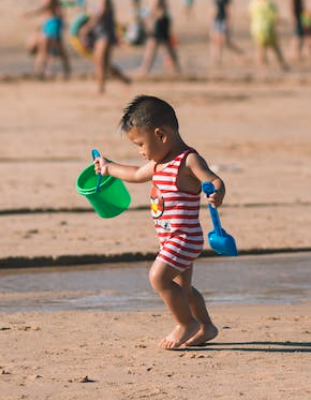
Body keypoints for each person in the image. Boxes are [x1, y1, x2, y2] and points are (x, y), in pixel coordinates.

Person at [93, 95, 225, 349]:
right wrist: (108, 168)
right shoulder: (157, 163)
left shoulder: (187, 160)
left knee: (158, 278)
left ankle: (186, 324)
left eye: (141, 144)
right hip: (170, 238)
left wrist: (217, 192)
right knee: (182, 287)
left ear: (161, 135)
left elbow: (213, 179)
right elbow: (133, 174)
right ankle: (206, 326)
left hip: (184, 237)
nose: (141, 152)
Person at [80, 0, 131, 93]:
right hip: (98, 33)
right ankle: (124, 80)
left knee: (101, 61)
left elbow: (101, 13)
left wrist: (87, 27)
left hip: (106, 34)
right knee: (104, 63)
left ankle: (101, 88)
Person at [23, 0, 71, 79]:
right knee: (57, 48)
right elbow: (59, 10)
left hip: (51, 23)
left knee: (44, 49)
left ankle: (40, 71)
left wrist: (29, 14)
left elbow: (45, 8)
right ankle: (66, 70)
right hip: (53, 22)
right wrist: (62, 21)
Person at [136, 0, 181, 75]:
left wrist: (146, 18)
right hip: (162, 20)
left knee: (153, 45)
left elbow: (154, 6)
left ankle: (145, 69)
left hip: (160, 20)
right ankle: (177, 69)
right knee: (166, 46)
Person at [249, 0, 289, 71]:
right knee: (275, 47)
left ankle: (263, 67)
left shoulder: (253, 3)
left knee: (261, 48)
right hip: (268, 28)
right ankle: (282, 64)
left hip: (257, 28)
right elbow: (275, 17)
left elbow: (251, 15)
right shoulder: (270, 4)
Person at [210, 0, 244, 65]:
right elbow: (213, 10)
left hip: (223, 22)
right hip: (216, 21)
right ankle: (217, 59)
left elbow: (229, 11)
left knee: (225, 42)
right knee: (215, 41)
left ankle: (239, 53)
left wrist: (229, 23)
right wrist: (211, 22)